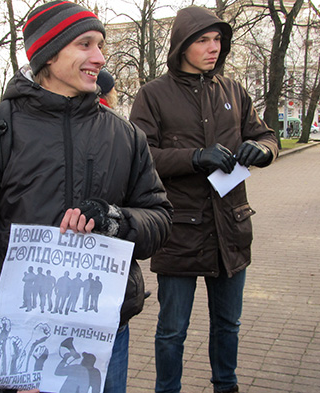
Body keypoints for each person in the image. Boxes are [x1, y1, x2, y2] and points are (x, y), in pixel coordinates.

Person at [0, 2, 173, 393]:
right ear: (48, 52)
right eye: (85, 44)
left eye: (100, 45)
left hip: (106, 337)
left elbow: (160, 218)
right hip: (22, 343)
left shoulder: (125, 136)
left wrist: (118, 220)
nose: (99, 57)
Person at [130, 7, 278, 393]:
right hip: (179, 231)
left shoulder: (232, 89)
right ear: (182, 45)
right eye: (203, 40)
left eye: (218, 40)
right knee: (172, 329)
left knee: (228, 324)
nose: (213, 48)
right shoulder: (153, 94)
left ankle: (225, 385)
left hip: (230, 228)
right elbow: (140, 156)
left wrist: (261, 150)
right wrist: (195, 157)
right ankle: (168, 389)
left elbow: (266, 135)